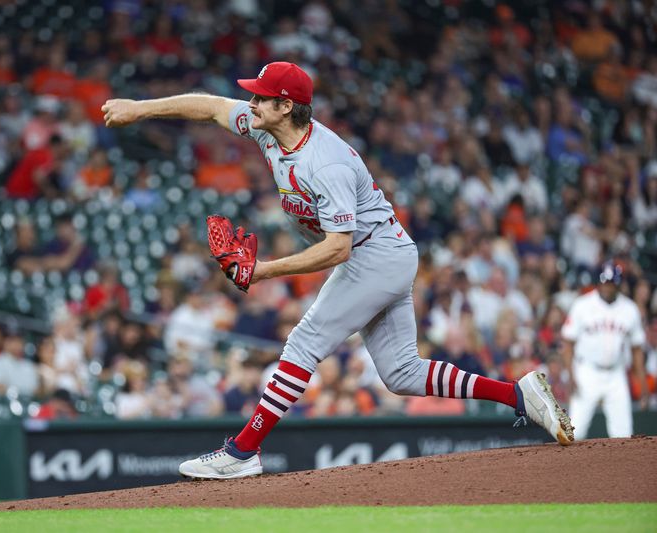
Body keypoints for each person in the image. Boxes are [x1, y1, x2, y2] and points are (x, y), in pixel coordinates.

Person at [102, 61, 574, 480]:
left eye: (260, 96)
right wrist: (139, 109)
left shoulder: (323, 163)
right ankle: (518, 395)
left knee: (304, 342)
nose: (250, 101)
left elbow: (337, 249)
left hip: (373, 253)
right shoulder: (265, 126)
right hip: (385, 251)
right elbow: (207, 107)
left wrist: (262, 271)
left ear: (286, 106)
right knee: (401, 373)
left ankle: (242, 450)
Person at [561, 261, 649, 440]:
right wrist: (571, 374)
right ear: (599, 282)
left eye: (612, 283)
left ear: (618, 284)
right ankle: (565, 468)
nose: (608, 287)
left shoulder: (629, 309)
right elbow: (568, 343)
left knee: (623, 434)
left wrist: (643, 383)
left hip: (616, 374)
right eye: (605, 282)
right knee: (573, 432)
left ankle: (621, 469)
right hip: (587, 372)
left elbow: (637, 349)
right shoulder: (582, 305)